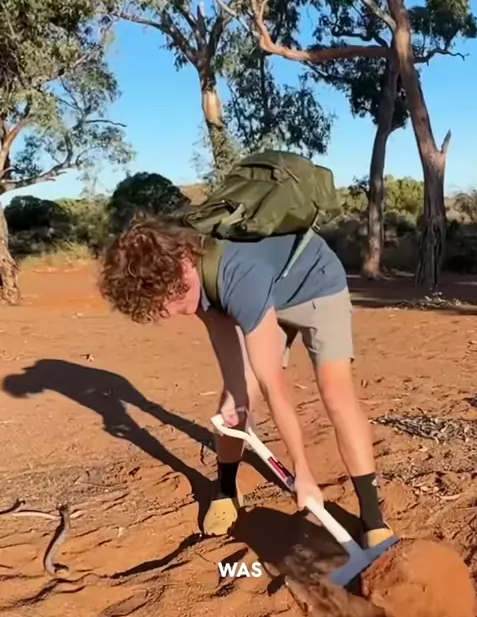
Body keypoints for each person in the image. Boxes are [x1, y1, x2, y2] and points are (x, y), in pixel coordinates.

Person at [99, 213, 395, 548]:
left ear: (183, 267)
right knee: (236, 400)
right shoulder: (195, 280)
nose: (173, 312)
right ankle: (226, 489)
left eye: (173, 301)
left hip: (315, 287)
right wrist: (235, 395)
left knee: (335, 392)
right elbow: (234, 367)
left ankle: (373, 519)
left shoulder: (236, 275)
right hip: (264, 296)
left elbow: (274, 385)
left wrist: (303, 472)